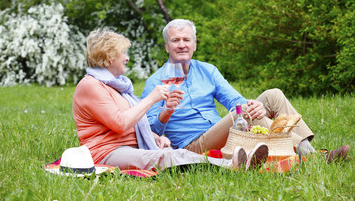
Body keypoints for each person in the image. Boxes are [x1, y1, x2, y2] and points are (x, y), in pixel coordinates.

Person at [141, 19, 350, 162]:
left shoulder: (207, 70)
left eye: (186, 40)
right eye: (175, 41)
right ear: (167, 46)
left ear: (194, 44)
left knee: (272, 95)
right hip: (192, 144)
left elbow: (234, 100)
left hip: (219, 130)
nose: (181, 45)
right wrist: (166, 112)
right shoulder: (156, 81)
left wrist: (254, 105)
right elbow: (148, 132)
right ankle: (315, 158)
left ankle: (306, 150)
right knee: (246, 115)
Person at [72, 28, 268, 172]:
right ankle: (235, 165)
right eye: (123, 53)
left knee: (170, 153)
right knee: (169, 156)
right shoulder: (90, 86)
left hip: (128, 147)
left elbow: (133, 124)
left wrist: (156, 138)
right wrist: (152, 98)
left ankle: (245, 159)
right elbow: (120, 123)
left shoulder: (116, 86)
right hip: (107, 152)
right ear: (108, 58)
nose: (127, 58)